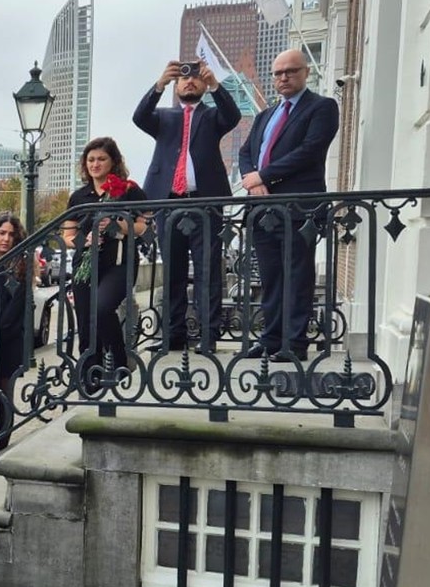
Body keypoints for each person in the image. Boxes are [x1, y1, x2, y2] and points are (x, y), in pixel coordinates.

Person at [238, 49, 339, 362]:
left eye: (291, 71)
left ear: (306, 72)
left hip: (300, 209)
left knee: (297, 276)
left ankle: (294, 343)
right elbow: (245, 154)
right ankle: (270, 339)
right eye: (278, 73)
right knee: (270, 278)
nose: (283, 77)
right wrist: (254, 180)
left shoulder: (322, 107)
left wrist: (264, 175)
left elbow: (310, 151)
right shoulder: (265, 116)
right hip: (263, 209)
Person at [133, 60, 241, 353]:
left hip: (205, 202)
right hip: (169, 203)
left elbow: (233, 116)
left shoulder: (213, 116)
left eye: (196, 78)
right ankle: (173, 335)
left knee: (208, 271)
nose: (189, 81)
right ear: (177, 85)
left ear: (204, 85)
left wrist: (216, 85)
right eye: (184, 78)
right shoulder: (163, 117)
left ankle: (208, 336)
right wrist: (160, 83)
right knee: (173, 272)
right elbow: (139, 117)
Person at [66, 137, 149, 394]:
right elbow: (68, 236)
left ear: (113, 161)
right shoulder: (79, 196)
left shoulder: (129, 190)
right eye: (90, 160)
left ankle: (119, 360)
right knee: (85, 321)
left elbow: (144, 227)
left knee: (101, 308)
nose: (95, 164)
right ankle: (91, 375)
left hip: (118, 261)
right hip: (86, 263)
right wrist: (86, 238)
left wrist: (118, 226)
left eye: (101, 159)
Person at [0, 212, 28, 451]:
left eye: (11, 234)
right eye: (1, 233)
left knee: (4, 397)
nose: (6, 239)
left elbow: (16, 310)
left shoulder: (20, 265)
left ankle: (2, 446)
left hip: (8, 342)